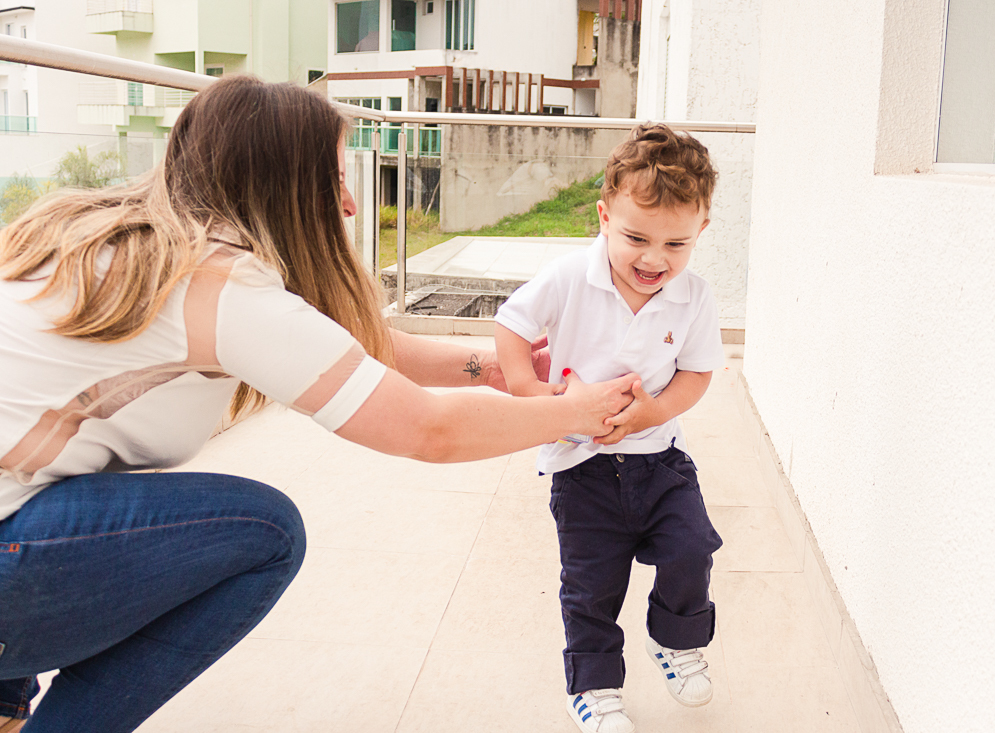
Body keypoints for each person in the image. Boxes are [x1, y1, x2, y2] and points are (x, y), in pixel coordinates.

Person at [0, 76, 638, 733]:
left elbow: (354, 348)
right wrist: (579, 411)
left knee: (48, 472)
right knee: (267, 534)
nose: (352, 203)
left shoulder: (121, 235)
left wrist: (495, 370)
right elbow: (429, 429)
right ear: (283, 186)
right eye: (335, 179)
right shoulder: (223, 289)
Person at [494, 124, 726, 733]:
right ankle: (595, 687)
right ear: (603, 216)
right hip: (583, 469)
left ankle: (674, 638)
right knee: (592, 585)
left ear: (701, 231)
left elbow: (697, 374)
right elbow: (513, 324)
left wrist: (654, 411)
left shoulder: (694, 298)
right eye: (636, 238)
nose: (654, 260)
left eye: (676, 244)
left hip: (660, 461)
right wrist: (527, 389)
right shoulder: (571, 276)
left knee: (692, 547)